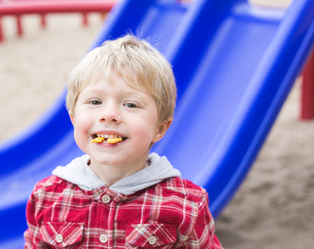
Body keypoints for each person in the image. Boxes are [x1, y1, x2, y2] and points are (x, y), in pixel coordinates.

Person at [24, 35, 223, 248]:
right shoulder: (47, 195)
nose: (109, 114)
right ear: (73, 118)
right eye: (95, 101)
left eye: (130, 104)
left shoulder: (185, 204)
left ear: (160, 128)